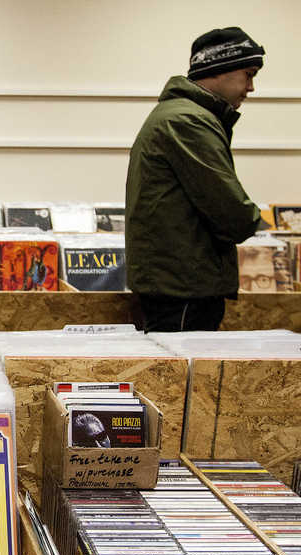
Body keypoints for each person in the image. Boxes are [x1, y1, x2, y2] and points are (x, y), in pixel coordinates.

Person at [126, 27, 264, 331]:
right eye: (248, 74)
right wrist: (255, 220)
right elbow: (230, 211)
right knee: (187, 376)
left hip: (176, 284)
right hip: (184, 289)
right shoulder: (188, 121)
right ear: (219, 69)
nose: (251, 87)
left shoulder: (179, 115)